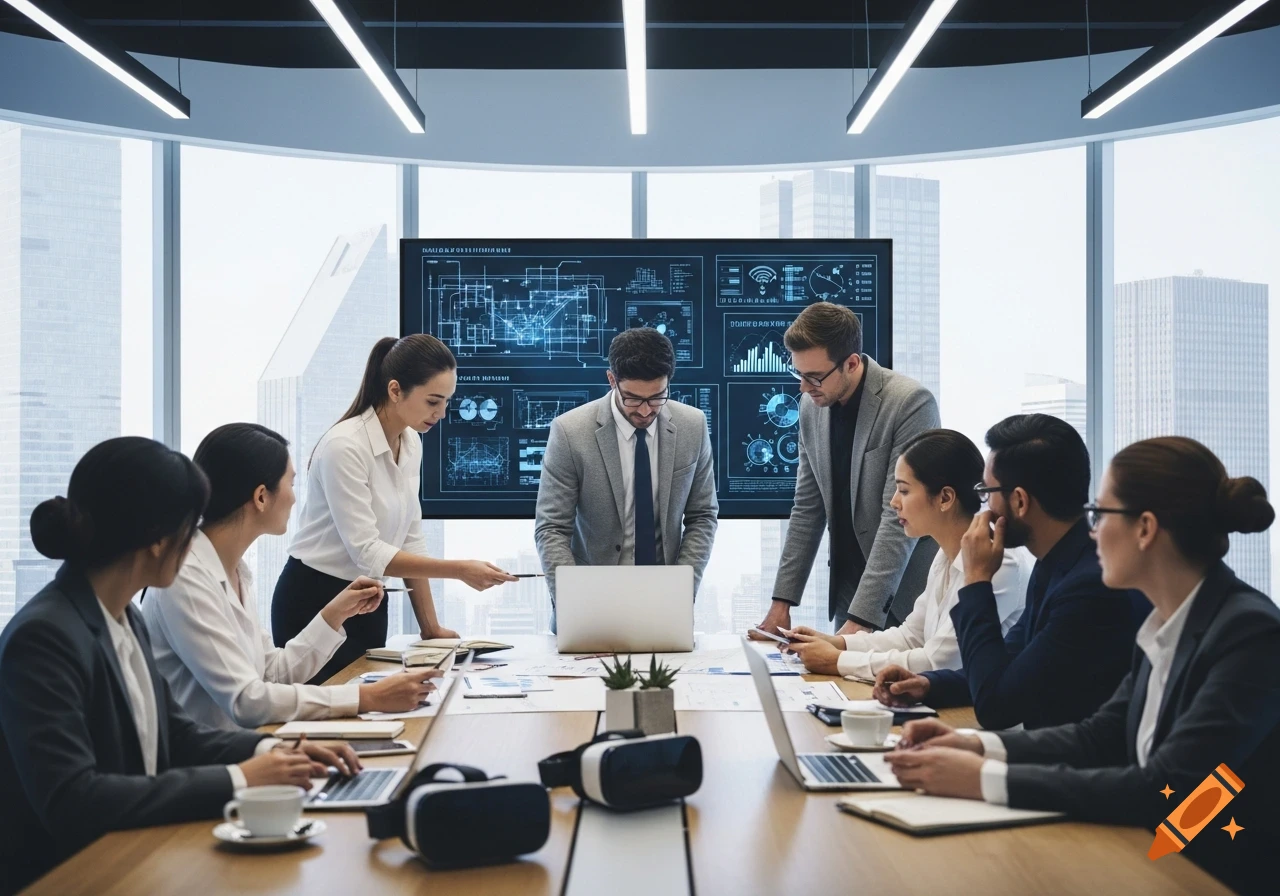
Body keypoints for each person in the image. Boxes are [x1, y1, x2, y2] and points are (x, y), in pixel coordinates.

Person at [883, 437, 1280, 896]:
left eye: (1100, 515)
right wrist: (976, 747)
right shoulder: (1165, 621)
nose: (1091, 532)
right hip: (1150, 853)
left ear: (1145, 529)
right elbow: (1098, 735)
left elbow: (1165, 787)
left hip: (1209, 876)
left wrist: (985, 779)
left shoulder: (1248, 634)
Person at [0, 438, 362, 895]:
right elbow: (75, 801)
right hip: (82, 875)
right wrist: (240, 778)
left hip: (140, 852)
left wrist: (268, 753)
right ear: (156, 538)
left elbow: (176, 733)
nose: (195, 543)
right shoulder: (45, 636)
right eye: (190, 528)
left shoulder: (121, 614)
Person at [143, 424, 443, 730]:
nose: (294, 498)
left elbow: (271, 673)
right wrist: (366, 697)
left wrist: (335, 614)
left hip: (244, 748)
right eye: (291, 483)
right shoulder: (185, 578)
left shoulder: (235, 572)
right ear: (261, 497)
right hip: (209, 764)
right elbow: (247, 701)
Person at [873, 414, 1150, 730]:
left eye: (987, 492)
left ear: (1019, 501)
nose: (985, 505)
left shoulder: (1088, 587)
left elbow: (997, 705)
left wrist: (977, 579)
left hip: (1075, 768)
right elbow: (1011, 666)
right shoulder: (1055, 563)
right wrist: (929, 684)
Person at [271, 335, 517, 683]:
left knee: (370, 714)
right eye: (433, 401)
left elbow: (410, 538)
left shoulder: (410, 442)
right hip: (315, 599)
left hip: (368, 600)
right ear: (395, 390)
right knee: (327, 716)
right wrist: (459, 569)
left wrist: (430, 629)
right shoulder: (345, 446)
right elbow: (366, 550)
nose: (442, 413)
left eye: (447, 401)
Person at [753, 302, 941, 639]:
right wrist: (782, 601)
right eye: (798, 374)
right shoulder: (811, 408)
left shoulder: (910, 403)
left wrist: (863, 619)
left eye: (814, 377)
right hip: (847, 591)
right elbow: (808, 508)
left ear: (851, 363)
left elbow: (896, 519)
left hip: (902, 596)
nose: (804, 388)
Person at [784, 429, 1027, 677]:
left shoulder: (1001, 562)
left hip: (969, 713)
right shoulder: (944, 555)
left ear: (945, 498)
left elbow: (940, 661)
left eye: (904, 490)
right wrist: (835, 643)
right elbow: (911, 636)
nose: (894, 502)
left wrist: (836, 661)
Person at [535, 327, 718, 627]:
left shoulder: (693, 426)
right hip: (588, 608)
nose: (646, 411)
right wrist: (573, 606)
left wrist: (681, 594)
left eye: (657, 397)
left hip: (664, 605)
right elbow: (551, 528)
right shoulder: (570, 432)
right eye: (633, 399)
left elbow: (702, 517)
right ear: (612, 380)